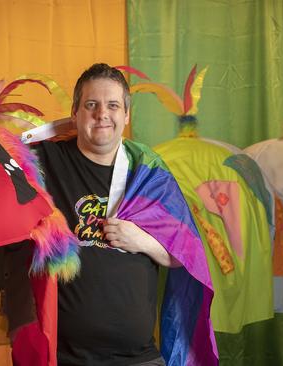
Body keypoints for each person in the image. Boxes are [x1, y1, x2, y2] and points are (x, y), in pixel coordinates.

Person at [33, 63, 217, 366]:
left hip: (138, 357)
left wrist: (143, 240)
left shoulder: (148, 173)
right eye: (91, 105)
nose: (102, 114)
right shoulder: (47, 160)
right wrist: (52, 129)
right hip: (65, 356)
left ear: (126, 115)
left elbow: (185, 254)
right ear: (75, 112)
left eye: (113, 105)